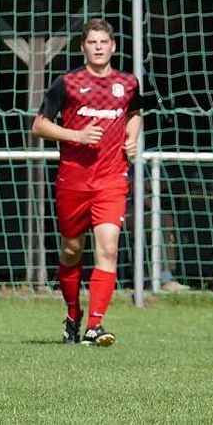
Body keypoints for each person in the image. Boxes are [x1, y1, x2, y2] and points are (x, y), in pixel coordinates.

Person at [31, 18, 143, 346]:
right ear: (83, 47)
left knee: (108, 248)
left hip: (111, 180)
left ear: (113, 46)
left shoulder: (128, 83)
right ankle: (73, 314)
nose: (98, 47)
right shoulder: (67, 83)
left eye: (103, 42)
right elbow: (39, 125)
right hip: (73, 180)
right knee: (71, 250)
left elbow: (135, 113)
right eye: (92, 42)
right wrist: (76, 135)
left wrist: (132, 138)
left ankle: (95, 325)